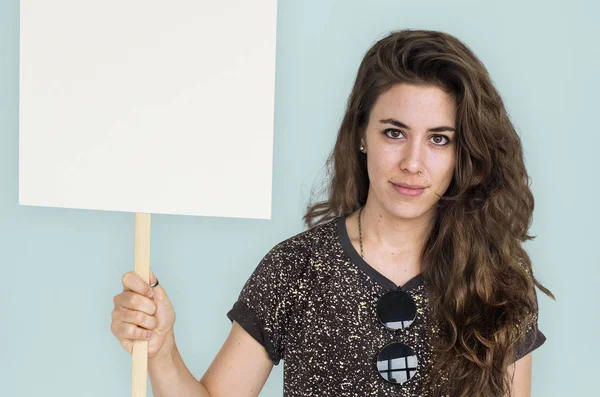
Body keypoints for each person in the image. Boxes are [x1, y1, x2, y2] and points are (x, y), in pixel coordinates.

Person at [111, 29, 553, 397]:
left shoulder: (496, 277)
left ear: (464, 151)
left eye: (439, 139)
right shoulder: (296, 268)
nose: (413, 163)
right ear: (362, 133)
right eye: (395, 133)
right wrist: (161, 350)